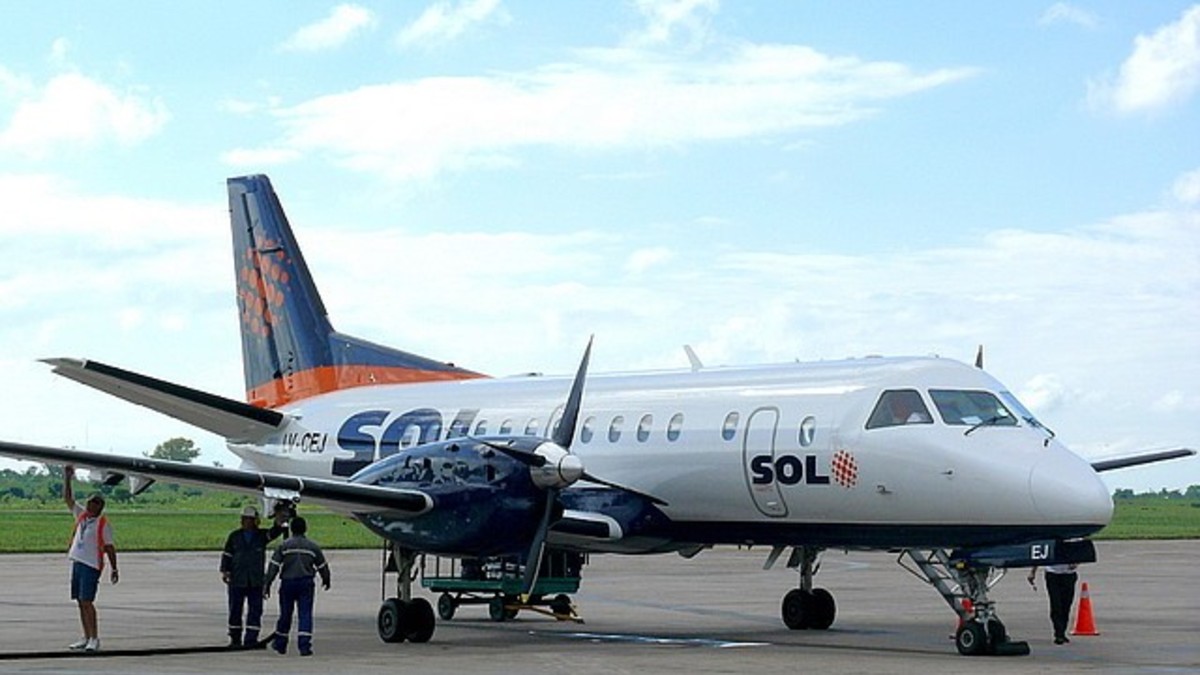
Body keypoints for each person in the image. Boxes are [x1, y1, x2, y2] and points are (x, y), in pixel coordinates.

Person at [62, 465, 118, 652]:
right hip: (78, 562)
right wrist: (68, 479)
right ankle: (85, 637)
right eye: (88, 503)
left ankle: (94, 637)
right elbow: (68, 499)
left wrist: (114, 568)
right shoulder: (82, 516)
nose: (88, 506)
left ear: (99, 507)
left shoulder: (103, 524)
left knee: (87, 601)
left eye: (92, 504)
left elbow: (109, 547)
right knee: (79, 601)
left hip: (91, 564)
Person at [220, 505, 286, 648]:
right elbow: (227, 555)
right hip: (237, 580)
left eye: (251, 519)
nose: (248, 522)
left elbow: (274, 532)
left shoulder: (261, 536)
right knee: (235, 610)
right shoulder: (234, 537)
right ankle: (235, 639)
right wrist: (225, 571)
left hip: (255, 580)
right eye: (246, 519)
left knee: (255, 611)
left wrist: (279, 519)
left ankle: (251, 639)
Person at [264, 516, 331, 656]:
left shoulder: (284, 546)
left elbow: (274, 566)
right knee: (305, 614)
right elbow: (322, 566)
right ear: (305, 529)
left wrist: (267, 584)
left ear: (291, 529)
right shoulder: (312, 547)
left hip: (288, 583)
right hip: (306, 583)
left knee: (285, 614)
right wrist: (326, 579)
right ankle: (304, 645)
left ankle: (280, 643)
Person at [1028, 563, 1079, 644]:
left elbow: (1079, 552)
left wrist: (1076, 563)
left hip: (1069, 574)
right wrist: (1033, 572)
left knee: (1066, 605)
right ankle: (1058, 633)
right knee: (1056, 604)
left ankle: (1062, 631)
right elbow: (1040, 555)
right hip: (1052, 574)